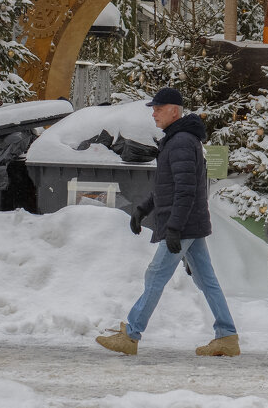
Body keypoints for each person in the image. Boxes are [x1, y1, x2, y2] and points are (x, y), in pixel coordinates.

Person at [96, 87, 239, 357]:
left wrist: (174, 227)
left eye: (159, 109)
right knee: (207, 280)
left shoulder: (182, 141)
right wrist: (143, 209)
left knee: (155, 274)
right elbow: (169, 186)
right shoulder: (177, 140)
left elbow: (185, 190)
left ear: (174, 110)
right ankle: (227, 336)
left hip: (183, 224)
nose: (154, 114)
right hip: (190, 222)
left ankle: (132, 334)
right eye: (153, 109)